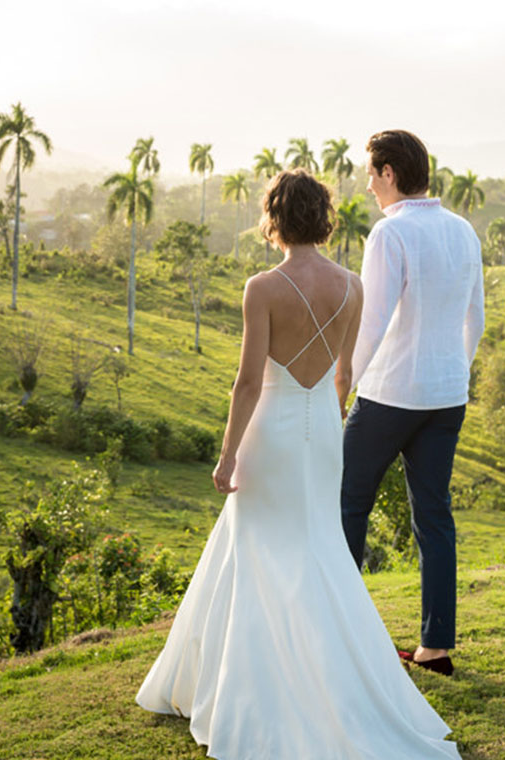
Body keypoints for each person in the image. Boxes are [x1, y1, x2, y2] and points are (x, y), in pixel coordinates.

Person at [136, 169, 457, 759]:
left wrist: (228, 453)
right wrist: (326, 425)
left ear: (275, 219)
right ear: (323, 218)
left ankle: (247, 687)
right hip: (322, 435)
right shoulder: (353, 287)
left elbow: (247, 382)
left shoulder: (263, 286)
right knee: (316, 548)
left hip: (273, 434)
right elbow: (343, 375)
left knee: (259, 549)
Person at [341, 129, 486, 677]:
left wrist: (342, 385)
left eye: (371, 173)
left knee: (346, 504)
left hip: (390, 394)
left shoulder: (389, 233)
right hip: (447, 395)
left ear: (389, 174)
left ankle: (346, 637)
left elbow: (371, 322)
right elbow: (477, 316)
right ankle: (436, 647)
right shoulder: (463, 230)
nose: (368, 184)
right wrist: (452, 371)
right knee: (434, 515)